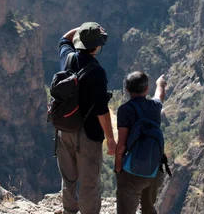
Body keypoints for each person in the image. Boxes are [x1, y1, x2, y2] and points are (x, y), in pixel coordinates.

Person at [57, 22, 117, 214]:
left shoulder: (67, 59)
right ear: (97, 46)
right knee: (90, 181)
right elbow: (102, 110)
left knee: (68, 177)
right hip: (88, 134)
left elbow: (64, 39)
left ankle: (69, 211)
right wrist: (110, 139)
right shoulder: (97, 72)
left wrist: (82, 28)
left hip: (64, 128)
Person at [115, 71, 167, 214]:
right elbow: (160, 95)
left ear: (126, 89)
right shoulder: (155, 106)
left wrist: (118, 168)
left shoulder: (125, 110)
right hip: (154, 169)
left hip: (132, 172)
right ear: (146, 89)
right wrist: (160, 83)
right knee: (148, 209)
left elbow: (122, 144)